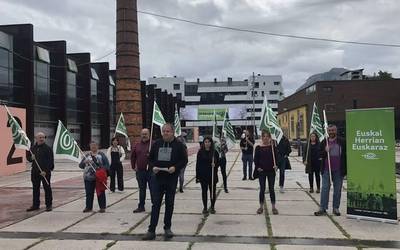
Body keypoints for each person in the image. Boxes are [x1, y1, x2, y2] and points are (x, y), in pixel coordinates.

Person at [142, 123, 188, 240]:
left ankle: (167, 228)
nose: (165, 133)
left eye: (167, 131)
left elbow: (184, 160)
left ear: (172, 132)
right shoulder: (157, 143)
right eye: (163, 131)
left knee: (169, 203)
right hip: (158, 178)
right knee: (155, 204)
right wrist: (153, 167)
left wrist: (175, 168)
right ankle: (151, 230)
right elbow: (150, 158)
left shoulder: (179, 145)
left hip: (171, 179)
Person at [314, 125, 347, 216]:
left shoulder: (342, 142)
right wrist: (325, 151)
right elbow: (319, 155)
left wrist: (345, 170)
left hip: (338, 170)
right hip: (326, 170)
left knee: (337, 190)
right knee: (325, 189)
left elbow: (346, 155)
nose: (331, 132)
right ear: (327, 131)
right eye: (329, 130)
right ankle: (323, 208)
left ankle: (336, 208)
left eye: (333, 130)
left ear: (336, 131)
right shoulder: (324, 142)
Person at [26, 132, 54, 212]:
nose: (42, 139)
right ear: (36, 138)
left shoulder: (48, 149)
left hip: (45, 172)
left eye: (43, 137)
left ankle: (48, 205)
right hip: (35, 171)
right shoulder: (32, 148)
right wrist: (31, 158)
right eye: (40, 137)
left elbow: (50, 161)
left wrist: (46, 171)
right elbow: (28, 158)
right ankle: (35, 205)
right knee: (35, 188)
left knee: (47, 188)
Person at [79, 141, 110, 213]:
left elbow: (107, 166)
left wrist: (99, 169)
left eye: (94, 145)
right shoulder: (86, 155)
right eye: (91, 146)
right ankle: (88, 207)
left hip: (98, 178)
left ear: (98, 146)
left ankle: (102, 207)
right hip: (88, 178)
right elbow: (80, 166)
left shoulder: (101, 155)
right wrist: (84, 162)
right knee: (89, 193)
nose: (93, 147)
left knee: (101, 193)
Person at [254, 130, 279, 215]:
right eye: (264, 136)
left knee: (271, 189)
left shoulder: (273, 148)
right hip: (262, 172)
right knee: (262, 189)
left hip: (271, 171)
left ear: (269, 138)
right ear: (262, 137)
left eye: (267, 136)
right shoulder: (258, 148)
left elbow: (276, 159)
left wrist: (276, 166)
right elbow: (255, 160)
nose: (265, 138)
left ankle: (273, 207)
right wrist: (258, 167)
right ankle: (261, 207)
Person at [196, 136, 220, 214]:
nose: (207, 143)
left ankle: (212, 207)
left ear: (211, 143)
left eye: (209, 142)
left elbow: (218, 163)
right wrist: (198, 176)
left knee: (212, 192)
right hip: (203, 176)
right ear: (203, 143)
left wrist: (215, 164)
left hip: (212, 175)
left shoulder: (214, 152)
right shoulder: (200, 152)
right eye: (205, 142)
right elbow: (198, 165)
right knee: (204, 192)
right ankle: (205, 207)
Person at [131, 128, 153, 213]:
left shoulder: (153, 144)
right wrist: (133, 166)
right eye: (143, 134)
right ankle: (141, 206)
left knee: (153, 189)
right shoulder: (137, 145)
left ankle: (154, 205)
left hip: (151, 172)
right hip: (140, 171)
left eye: (146, 134)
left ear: (149, 135)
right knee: (142, 189)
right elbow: (133, 156)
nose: (144, 135)